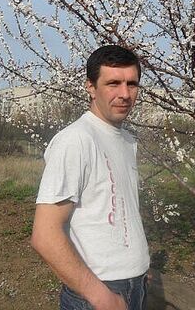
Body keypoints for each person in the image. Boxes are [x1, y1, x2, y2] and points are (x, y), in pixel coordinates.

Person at [31, 45, 150, 310]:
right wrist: (101, 297)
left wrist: (135, 264)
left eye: (132, 84)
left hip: (134, 284)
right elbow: (45, 235)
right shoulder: (76, 140)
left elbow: (117, 210)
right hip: (99, 293)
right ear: (91, 87)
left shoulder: (126, 140)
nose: (125, 94)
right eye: (113, 83)